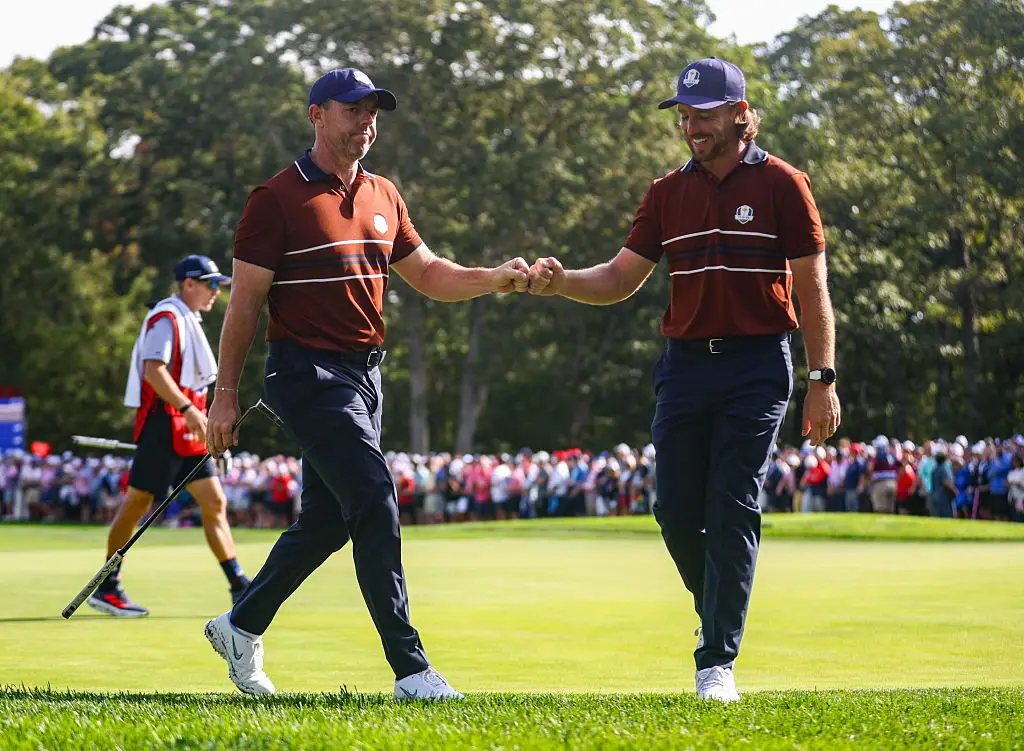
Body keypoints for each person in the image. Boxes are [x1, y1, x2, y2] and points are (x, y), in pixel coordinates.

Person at [202, 67, 530, 699]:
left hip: (364, 378)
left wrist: (494, 277)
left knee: (329, 521)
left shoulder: (385, 194)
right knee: (376, 497)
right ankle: (411, 669)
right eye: (353, 109)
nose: (366, 121)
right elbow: (244, 306)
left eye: (373, 111)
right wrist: (225, 396)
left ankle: (240, 625)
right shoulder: (274, 199)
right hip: (305, 374)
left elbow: (430, 274)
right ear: (317, 115)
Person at [527, 56, 840, 702]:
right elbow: (618, 277)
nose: (692, 126)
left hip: (758, 363)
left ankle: (716, 658)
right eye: (685, 115)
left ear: (740, 114)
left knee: (731, 505)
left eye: (704, 114)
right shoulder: (667, 192)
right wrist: (562, 284)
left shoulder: (784, 183)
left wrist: (822, 378)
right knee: (673, 508)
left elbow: (812, 287)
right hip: (687, 365)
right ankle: (720, 604)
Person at [88, 255, 250, 617]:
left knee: (215, 503)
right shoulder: (166, 318)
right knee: (136, 505)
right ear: (188, 284)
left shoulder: (186, 318)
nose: (215, 292)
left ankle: (239, 584)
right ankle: (108, 587)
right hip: (164, 425)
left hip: (187, 430)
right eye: (209, 284)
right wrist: (190, 410)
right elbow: (154, 372)